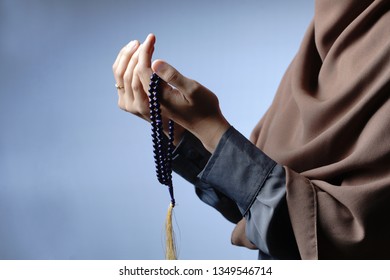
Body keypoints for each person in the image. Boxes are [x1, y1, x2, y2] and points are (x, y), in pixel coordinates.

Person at [112, 0, 390, 259]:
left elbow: (346, 243)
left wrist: (211, 130)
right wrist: (183, 129)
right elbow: (259, 204)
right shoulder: (326, 34)